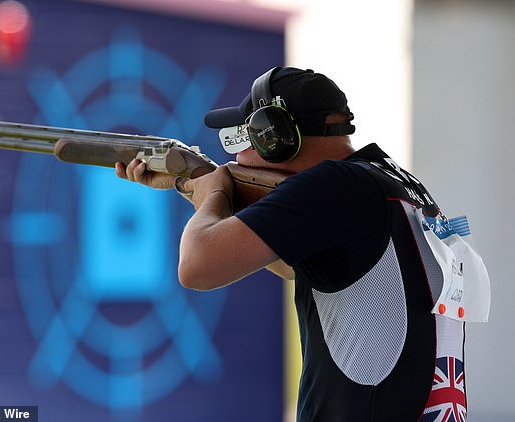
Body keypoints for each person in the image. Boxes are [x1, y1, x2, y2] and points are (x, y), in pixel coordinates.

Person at [115, 66, 490, 421]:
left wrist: (213, 195)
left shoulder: (332, 186)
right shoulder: (391, 184)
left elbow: (197, 267)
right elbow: (295, 265)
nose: (235, 156)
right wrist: (195, 187)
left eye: (241, 138)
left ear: (273, 136)